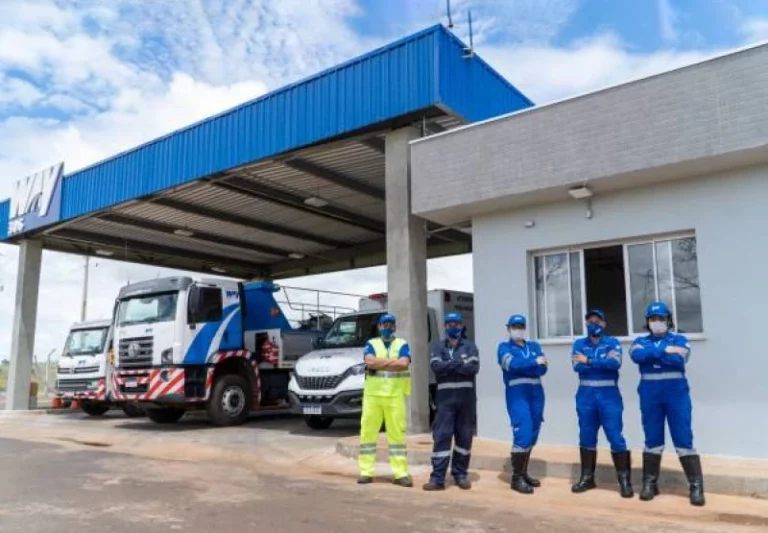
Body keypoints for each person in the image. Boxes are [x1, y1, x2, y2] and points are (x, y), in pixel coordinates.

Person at [630, 301, 705, 506]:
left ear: (668, 320)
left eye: (661, 318)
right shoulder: (639, 341)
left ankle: (696, 486)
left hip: (676, 395)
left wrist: (654, 356)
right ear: (647, 322)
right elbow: (637, 356)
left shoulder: (680, 339)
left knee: (683, 438)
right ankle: (649, 483)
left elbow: (680, 359)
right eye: (653, 319)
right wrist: (665, 352)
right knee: (652, 439)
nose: (657, 322)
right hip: (650, 395)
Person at [571, 309, 633, 498]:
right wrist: (600, 361)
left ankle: (624, 481)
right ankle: (587, 478)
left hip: (609, 397)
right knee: (586, 437)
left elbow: (614, 364)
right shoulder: (579, 344)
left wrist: (588, 360)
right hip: (586, 396)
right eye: (590, 321)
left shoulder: (613, 342)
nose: (594, 324)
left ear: (604, 324)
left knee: (615, 436)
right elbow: (576, 366)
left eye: (598, 321)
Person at [423, 313, 479, 491]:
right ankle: (438, 478)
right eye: (449, 324)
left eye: (456, 323)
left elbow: (473, 368)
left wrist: (449, 365)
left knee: (464, 438)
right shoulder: (438, 346)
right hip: (445, 402)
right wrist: (458, 364)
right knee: (441, 437)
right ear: (445, 327)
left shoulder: (470, 346)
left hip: (466, 401)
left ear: (461, 326)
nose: (452, 327)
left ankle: (460, 474)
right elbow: (436, 367)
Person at [357, 313, 413, 487]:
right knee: (368, 434)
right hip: (373, 397)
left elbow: (404, 364)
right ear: (379, 327)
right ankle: (366, 472)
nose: (387, 327)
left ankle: (400, 474)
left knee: (397, 437)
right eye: (384, 325)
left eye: (390, 324)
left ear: (395, 327)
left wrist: (379, 362)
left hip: (395, 396)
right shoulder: (371, 344)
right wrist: (392, 362)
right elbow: (369, 362)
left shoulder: (402, 344)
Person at [497, 314, 547, 494]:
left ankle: (524, 473)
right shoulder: (503, 347)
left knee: (533, 434)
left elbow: (543, 368)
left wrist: (529, 365)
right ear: (508, 328)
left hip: (537, 394)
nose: (517, 329)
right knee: (523, 432)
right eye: (514, 326)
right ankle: (516, 478)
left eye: (520, 326)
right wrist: (533, 362)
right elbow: (511, 365)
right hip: (517, 395)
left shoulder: (534, 346)